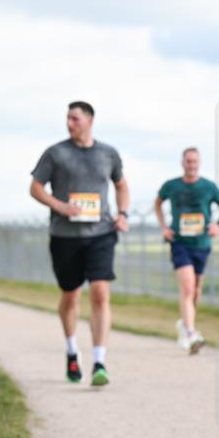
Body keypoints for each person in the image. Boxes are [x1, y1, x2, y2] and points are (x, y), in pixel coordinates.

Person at [29, 100, 130, 386]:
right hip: (65, 236)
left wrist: (122, 214)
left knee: (100, 292)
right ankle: (72, 351)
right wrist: (59, 206)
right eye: (67, 119)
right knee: (71, 295)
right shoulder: (55, 153)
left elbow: (121, 185)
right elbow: (35, 188)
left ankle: (100, 361)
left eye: (75, 118)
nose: (69, 123)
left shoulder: (108, 153)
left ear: (89, 120)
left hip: (101, 233)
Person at [154, 147, 219, 354]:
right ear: (182, 163)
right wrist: (164, 227)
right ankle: (191, 333)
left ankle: (185, 324)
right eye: (188, 161)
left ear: (199, 163)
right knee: (187, 288)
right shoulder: (171, 186)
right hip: (179, 242)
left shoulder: (208, 186)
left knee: (195, 291)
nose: (191, 165)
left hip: (202, 244)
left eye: (195, 162)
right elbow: (157, 203)